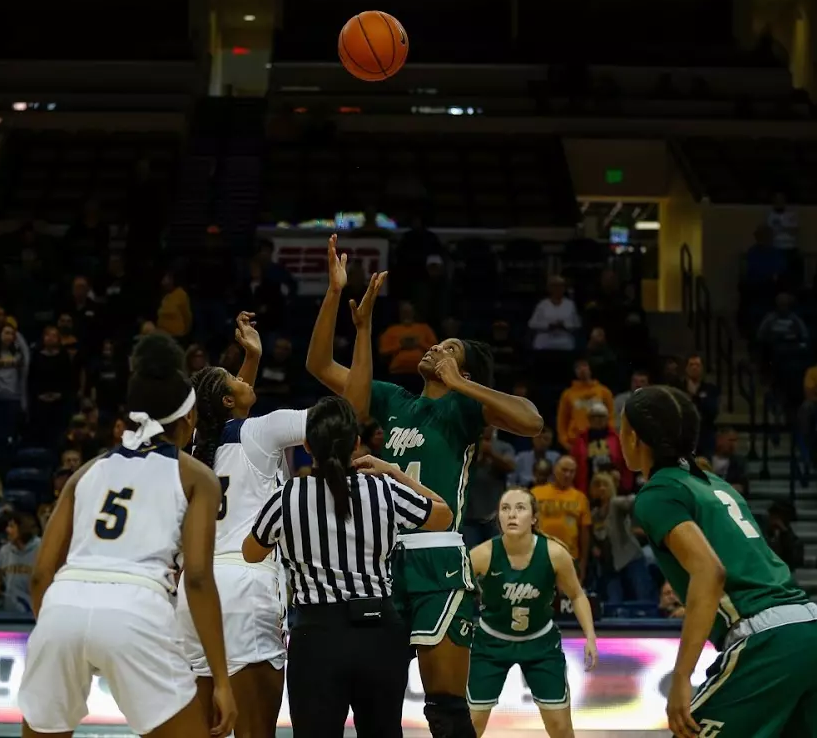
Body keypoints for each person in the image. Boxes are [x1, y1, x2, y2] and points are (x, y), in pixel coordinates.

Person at [307, 235, 544, 738]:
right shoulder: (394, 399)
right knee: (377, 707)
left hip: (437, 555)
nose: (435, 347)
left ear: (464, 368)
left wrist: (460, 382)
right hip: (380, 558)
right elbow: (320, 366)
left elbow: (532, 421)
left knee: (446, 707)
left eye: (448, 348)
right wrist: (340, 301)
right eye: (438, 344)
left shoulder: (464, 406)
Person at [17, 333, 236, 738]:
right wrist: (221, 680)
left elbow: (40, 575)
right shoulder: (196, 476)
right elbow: (198, 579)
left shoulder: (86, 472)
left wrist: (62, 628)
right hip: (137, 608)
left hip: (62, 607)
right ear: (189, 418)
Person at [625, 385, 817, 737]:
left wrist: (681, 676)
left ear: (633, 437)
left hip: (767, 640)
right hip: (815, 631)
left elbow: (709, 571)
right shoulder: (715, 484)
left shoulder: (658, 492)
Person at [243, 396, 452, 737]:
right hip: (378, 633)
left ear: (307, 445)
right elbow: (444, 515)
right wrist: (395, 472)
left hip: (316, 637)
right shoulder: (384, 490)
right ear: (356, 443)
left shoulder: (288, 496)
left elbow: (251, 552)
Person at [177, 311, 302, 738]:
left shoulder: (197, 446)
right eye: (232, 379)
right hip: (248, 582)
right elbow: (342, 416)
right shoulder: (261, 433)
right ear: (227, 401)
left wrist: (251, 359)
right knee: (254, 733)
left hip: (194, 590)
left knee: (200, 731)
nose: (241, 378)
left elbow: (231, 415)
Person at [466, 487, 598, 738]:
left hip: (540, 643)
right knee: (471, 725)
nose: (512, 515)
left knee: (560, 728)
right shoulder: (481, 555)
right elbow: (455, 593)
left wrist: (590, 637)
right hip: (491, 642)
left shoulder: (555, 553)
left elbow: (577, 595)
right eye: (505, 509)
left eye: (520, 508)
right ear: (498, 517)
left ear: (534, 518)